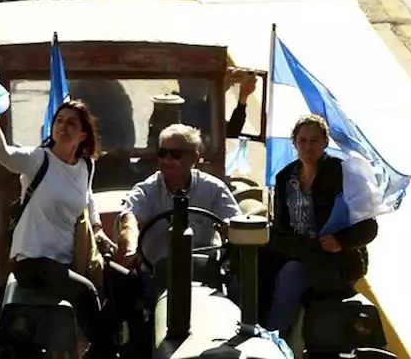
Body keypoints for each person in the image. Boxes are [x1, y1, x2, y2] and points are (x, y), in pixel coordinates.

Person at [0, 99, 118, 357]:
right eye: (59, 121)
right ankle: (105, 353)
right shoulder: (38, 160)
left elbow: (88, 198)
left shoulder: (85, 166)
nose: (63, 126)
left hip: (65, 260)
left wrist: (98, 228)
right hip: (32, 261)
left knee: (125, 285)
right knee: (85, 291)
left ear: (83, 135)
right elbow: (4, 154)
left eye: (71, 123)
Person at [262, 113, 379, 337]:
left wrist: (341, 241)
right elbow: (280, 227)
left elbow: (369, 226)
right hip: (297, 252)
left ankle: (273, 338)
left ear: (325, 142)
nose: (308, 147)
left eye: (314, 140)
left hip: (333, 260)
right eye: (302, 140)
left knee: (291, 275)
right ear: (294, 142)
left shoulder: (345, 174)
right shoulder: (285, 177)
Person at [113, 124, 241, 279]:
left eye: (175, 154)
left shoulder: (214, 189)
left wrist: (229, 226)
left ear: (194, 157)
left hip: (205, 274)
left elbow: (235, 222)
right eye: (162, 153)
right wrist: (131, 248)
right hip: (156, 276)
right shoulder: (146, 191)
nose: (167, 160)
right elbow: (130, 222)